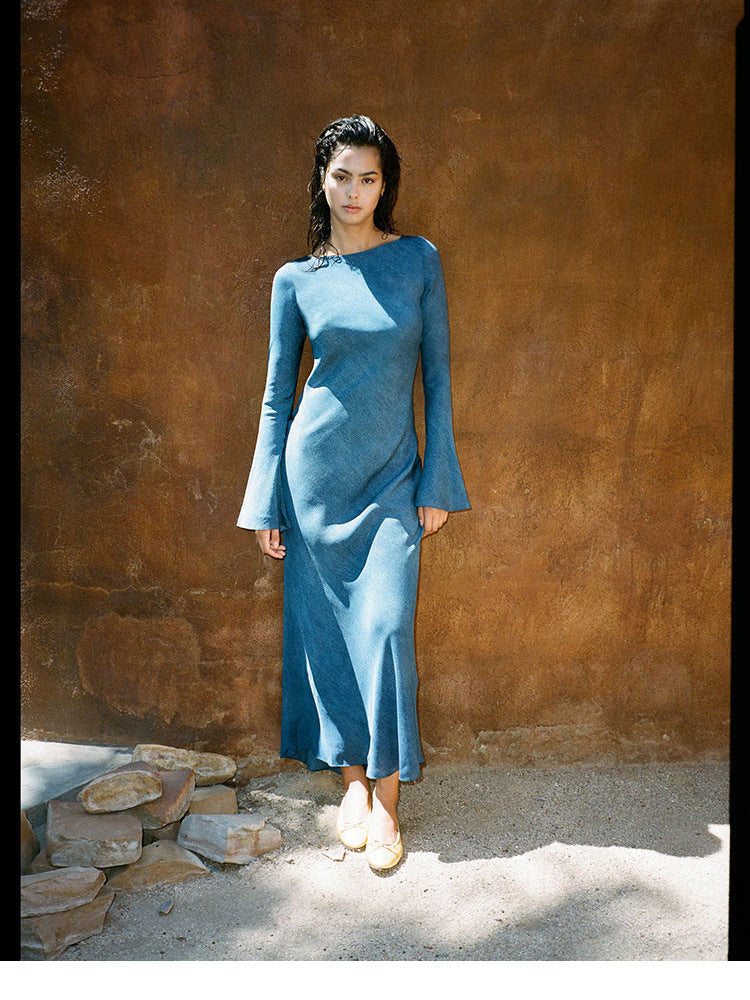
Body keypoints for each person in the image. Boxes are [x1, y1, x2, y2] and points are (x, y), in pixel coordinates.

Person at [237, 114, 470, 871]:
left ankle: (391, 795)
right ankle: (352, 782)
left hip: (394, 479)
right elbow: (278, 397)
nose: (354, 192)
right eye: (342, 176)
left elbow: (435, 379)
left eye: (369, 177)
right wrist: (265, 501)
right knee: (328, 636)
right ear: (322, 180)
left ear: (385, 185)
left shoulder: (417, 261)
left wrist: (438, 481)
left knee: (387, 628)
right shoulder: (295, 280)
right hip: (313, 484)